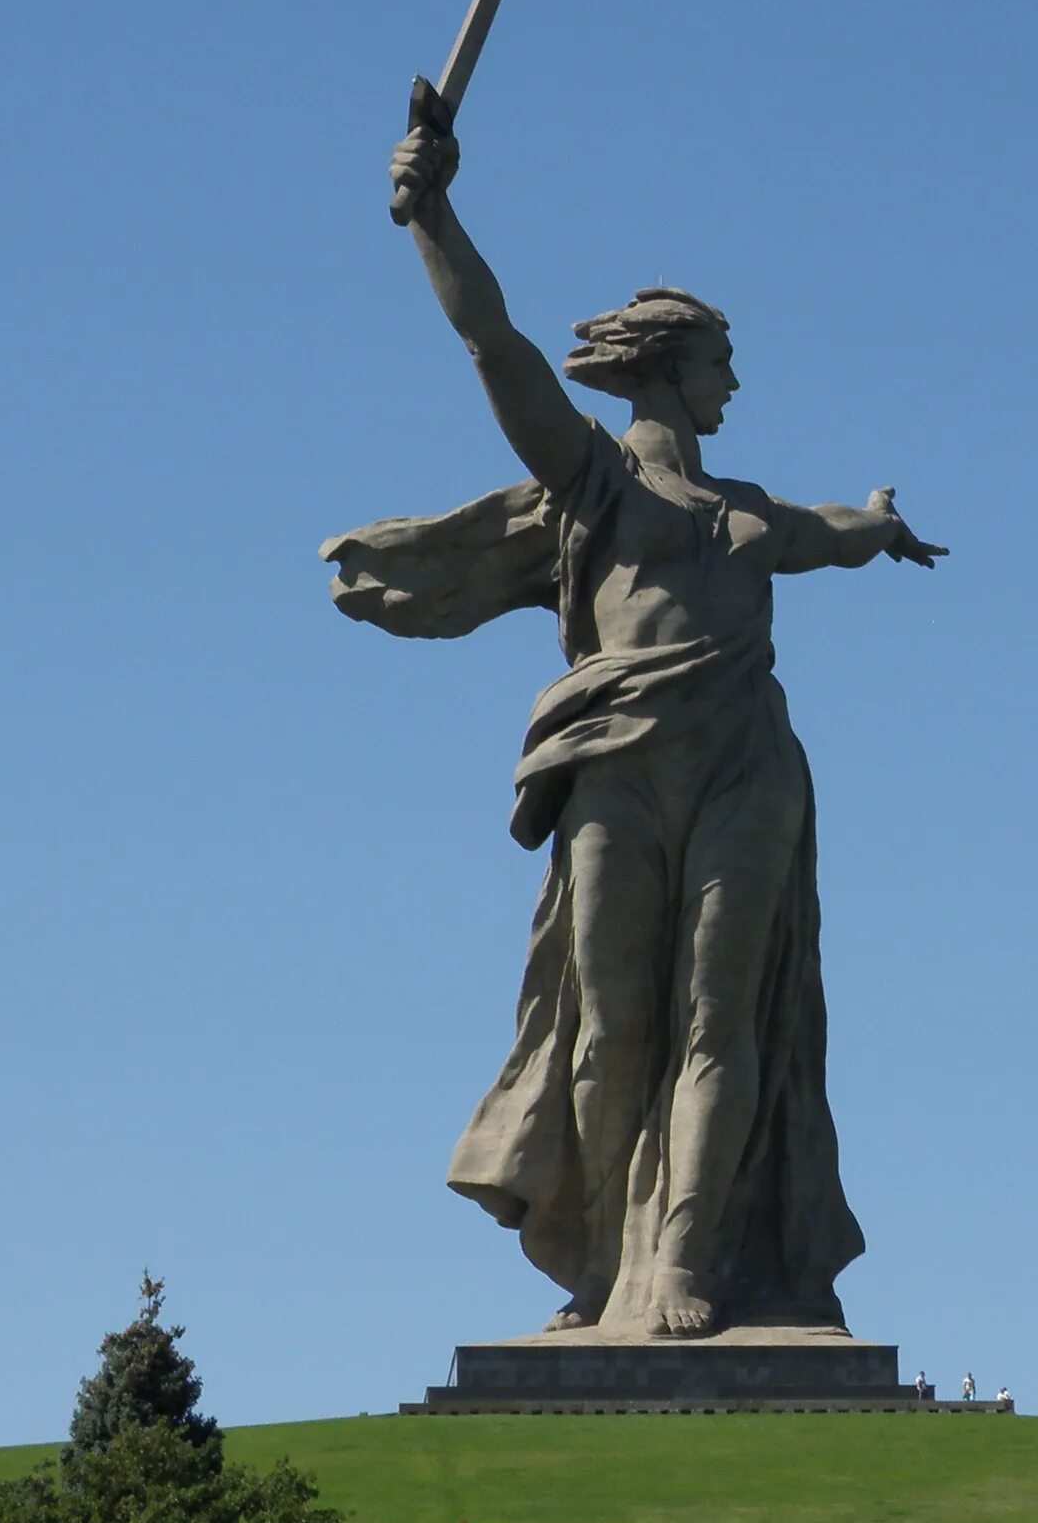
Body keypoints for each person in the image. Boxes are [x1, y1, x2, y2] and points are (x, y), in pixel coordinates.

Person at [346, 96, 946, 1339]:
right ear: (671, 364)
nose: (737, 382)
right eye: (723, 361)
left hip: (744, 767)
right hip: (618, 765)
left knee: (723, 1020)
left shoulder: (747, 512)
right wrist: (433, 215)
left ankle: (681, 1264)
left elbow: (832, 534)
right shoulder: (595, 482)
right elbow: (497, 351)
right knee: (612, 1028)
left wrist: (881, 522)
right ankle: (606, 1266)